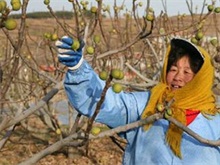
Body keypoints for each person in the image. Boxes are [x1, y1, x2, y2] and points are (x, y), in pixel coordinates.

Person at [55, 37, 220, 165]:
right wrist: (79, 70)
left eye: (187, 71)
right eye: (173, 69)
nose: (178, 77)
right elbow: (107, 103)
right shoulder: (146, 106)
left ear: (201, 79)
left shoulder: (215, 121)